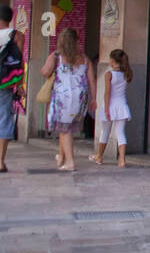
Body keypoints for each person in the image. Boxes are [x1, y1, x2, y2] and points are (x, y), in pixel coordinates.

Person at [40, 28, 94, 172]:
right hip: (80, 99)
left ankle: (70, 162)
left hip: (63, 99)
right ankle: (61, 158)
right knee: (66, 128)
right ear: (76, 41)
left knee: (64, 130)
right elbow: (92, 81)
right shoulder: (85, 59)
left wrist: (50, 62)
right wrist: (94, 99)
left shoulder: (57, 57)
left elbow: (45, 72)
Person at [91, 49, 133, 167]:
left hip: (110, 105)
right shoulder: (126, 74)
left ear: (113, 61)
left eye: (109, 58)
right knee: (120, 133)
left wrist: (106, 109)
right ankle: (122, 160)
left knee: (105, 131)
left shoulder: (109, 74)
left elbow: (107, 93)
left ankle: (99, 156)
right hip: (122, 105)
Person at [0, 5, 25, 174]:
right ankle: (0, 162)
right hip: (5, 84)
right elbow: (18, 63)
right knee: (3, 119)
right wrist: (19, 85)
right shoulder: (17, 35)